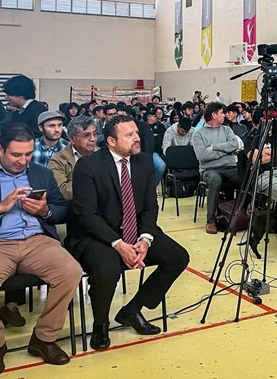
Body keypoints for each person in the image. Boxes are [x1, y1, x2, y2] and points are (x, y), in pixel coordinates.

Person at [0, 122, 82, 377]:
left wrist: (45, 211)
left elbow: (63, 210)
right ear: (0, 149)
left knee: (70, 272)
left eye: (28, 154)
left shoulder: (42, 173)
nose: (23, 161)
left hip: (36, 241)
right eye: (16, 155)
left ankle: (43, 338)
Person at [67, 115, 189, 351]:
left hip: (134, 230)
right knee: (107, 268)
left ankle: (133, 309)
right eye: (129, 135)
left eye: (137, 133)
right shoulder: (89, 166)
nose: (137, 138)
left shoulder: (144, 162)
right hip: (96, 234)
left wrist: (145, 238)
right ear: (111, 141)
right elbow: (87, 215)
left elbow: (149, 206)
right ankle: (101, 323)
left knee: (177, 257)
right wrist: (118, 243)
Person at [192, 102, 244, 234]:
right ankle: (211, 220)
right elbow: (202, 155)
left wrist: (215, 147)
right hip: (210, 170)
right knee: (215, 180)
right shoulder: (198, 134)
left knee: (246, 176)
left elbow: (234, 144)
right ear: (214, 115)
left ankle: (241, 215)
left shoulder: (227, 129)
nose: (224, 115)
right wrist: (225, 152)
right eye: (221, 113)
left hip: (230, 167)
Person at [49, 116, 98, 201]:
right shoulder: (58, 160)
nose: (93, 139)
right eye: (86, 135)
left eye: (95, 134)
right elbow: (63, 191)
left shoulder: (103, 154)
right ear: (72, 139)